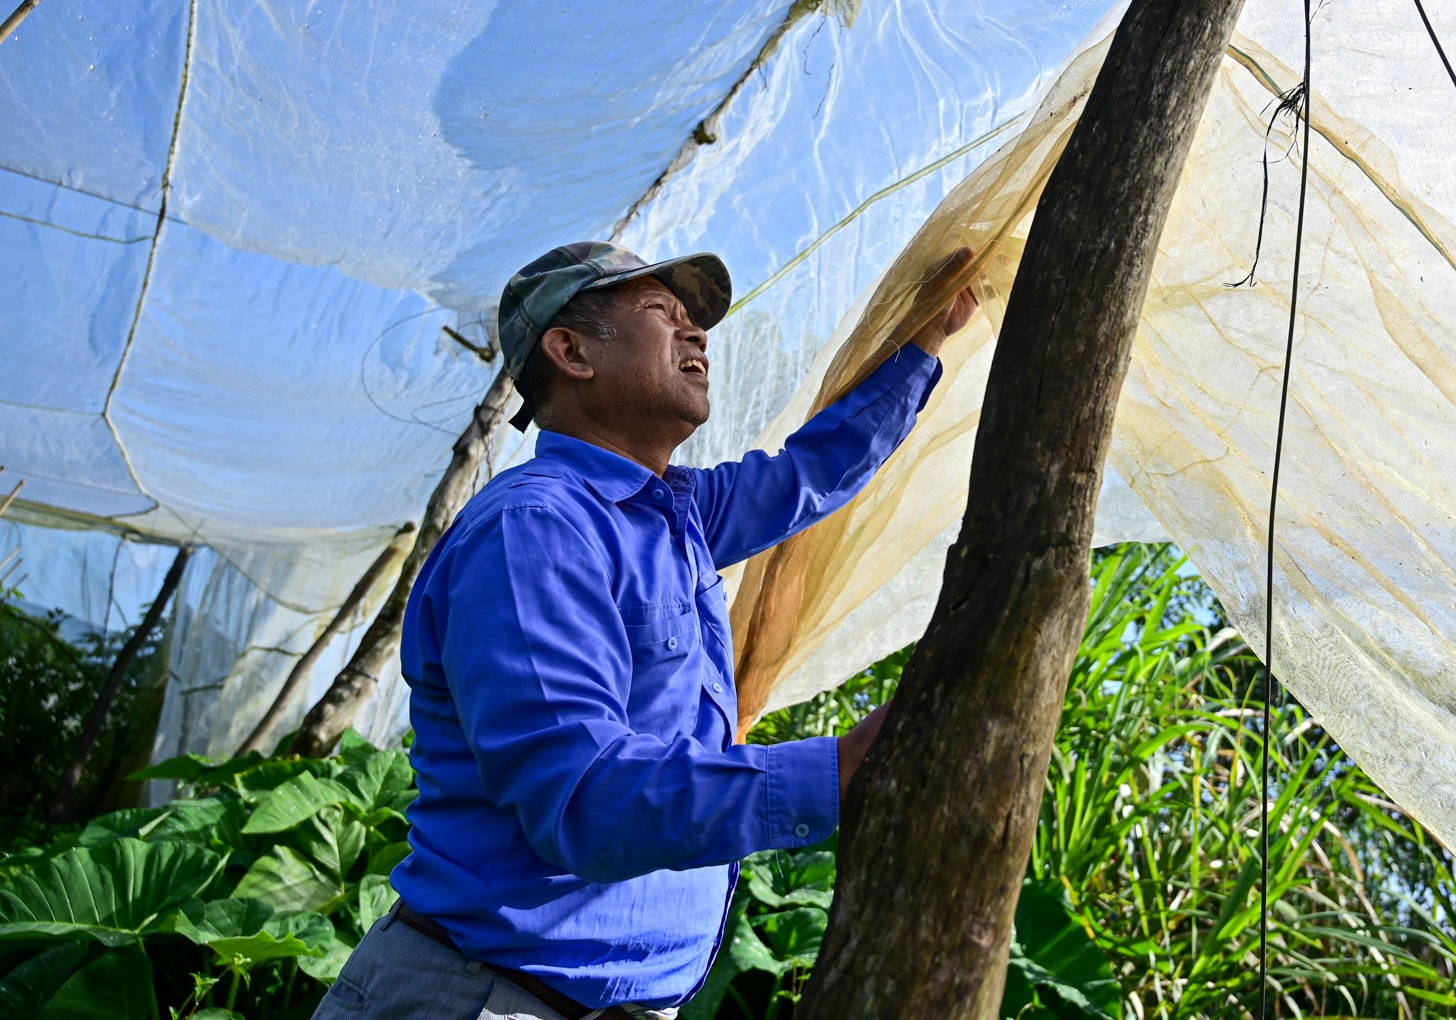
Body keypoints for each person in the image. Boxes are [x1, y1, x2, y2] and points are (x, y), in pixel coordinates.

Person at [315, 240, 976, 1020]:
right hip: (481, 999)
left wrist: (925, 343)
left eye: (695, 321)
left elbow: (808, 474)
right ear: (571, 351)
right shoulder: (536, 529)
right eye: (665, 314)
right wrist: (834, 773)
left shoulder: (676, 515)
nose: (697, 333)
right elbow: (584, 794)